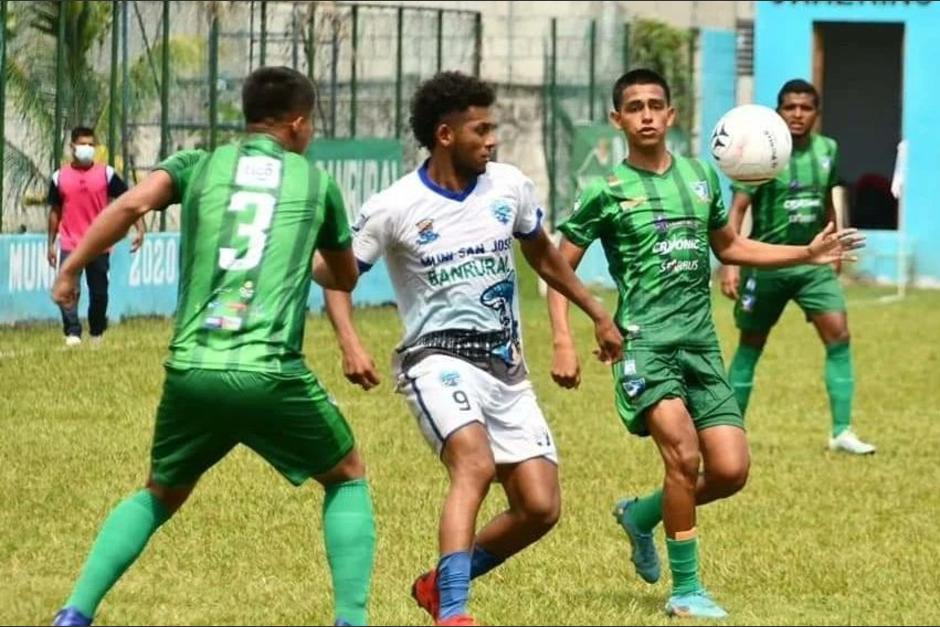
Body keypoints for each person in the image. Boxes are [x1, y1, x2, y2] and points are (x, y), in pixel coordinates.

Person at [50, 66, 376, 627]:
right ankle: (352, 621)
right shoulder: (316, 185)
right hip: (269, 372)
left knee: (159, 492)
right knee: (346, 473)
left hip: (192, 368)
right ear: (298, 124)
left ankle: (75, 613)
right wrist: (298, 255)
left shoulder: (196, 164)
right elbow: (342, 277)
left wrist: (71, 269)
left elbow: (129, 207)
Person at [546, 69, 864, 619]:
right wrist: (565, 338)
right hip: (644, 347)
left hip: (700, 345)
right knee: (682, 453)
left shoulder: (700, 177)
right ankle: (686, 591)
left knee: (730, 471)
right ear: (617, 120)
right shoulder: (606, 189)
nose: (646, 115)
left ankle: (640, 516)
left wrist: (805, 254)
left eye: (655, 105)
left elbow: (730, 246)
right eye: (634, 107)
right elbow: (556, 266)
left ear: (672, 116)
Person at [323, 71, 623, 626]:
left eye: (493, 128)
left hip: (506, 367)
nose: (493, 140)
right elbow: (337, 275)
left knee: (540, 506)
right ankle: (455, 613)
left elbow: (544, 254)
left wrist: (595, 312)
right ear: (444, 134)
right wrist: (349, 342)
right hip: (434, 360)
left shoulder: (508, 186)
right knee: (475, 465)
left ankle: (438, 586)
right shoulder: (395, 206)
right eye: (481, 129)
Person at [719, 79, 875, 455]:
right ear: (779, 111)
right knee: (751, 343)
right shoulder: (764, 151)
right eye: (790, 108)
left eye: (805, 108)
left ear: (816, 113)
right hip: (767, 263)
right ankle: (729, 433)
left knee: (839, 335)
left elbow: (826, 200)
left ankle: (841, 432)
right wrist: (729, 263)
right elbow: (737, 210)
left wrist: (833, 244)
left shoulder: (827, 150)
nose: (798, 115)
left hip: (814, 263)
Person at [47, 126, 143, 346]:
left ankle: (97, 332)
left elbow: (129, 200)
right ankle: (72, 332)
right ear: (72, 147)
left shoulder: (106, 174)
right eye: (83, 144)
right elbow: (55, 212)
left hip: (99, 244)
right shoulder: (59, 177)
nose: (87, 149)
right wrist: (51, 244)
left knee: (99, 293)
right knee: (68, 289)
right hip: (70, 243)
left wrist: (140, 227)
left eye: (91, 144)